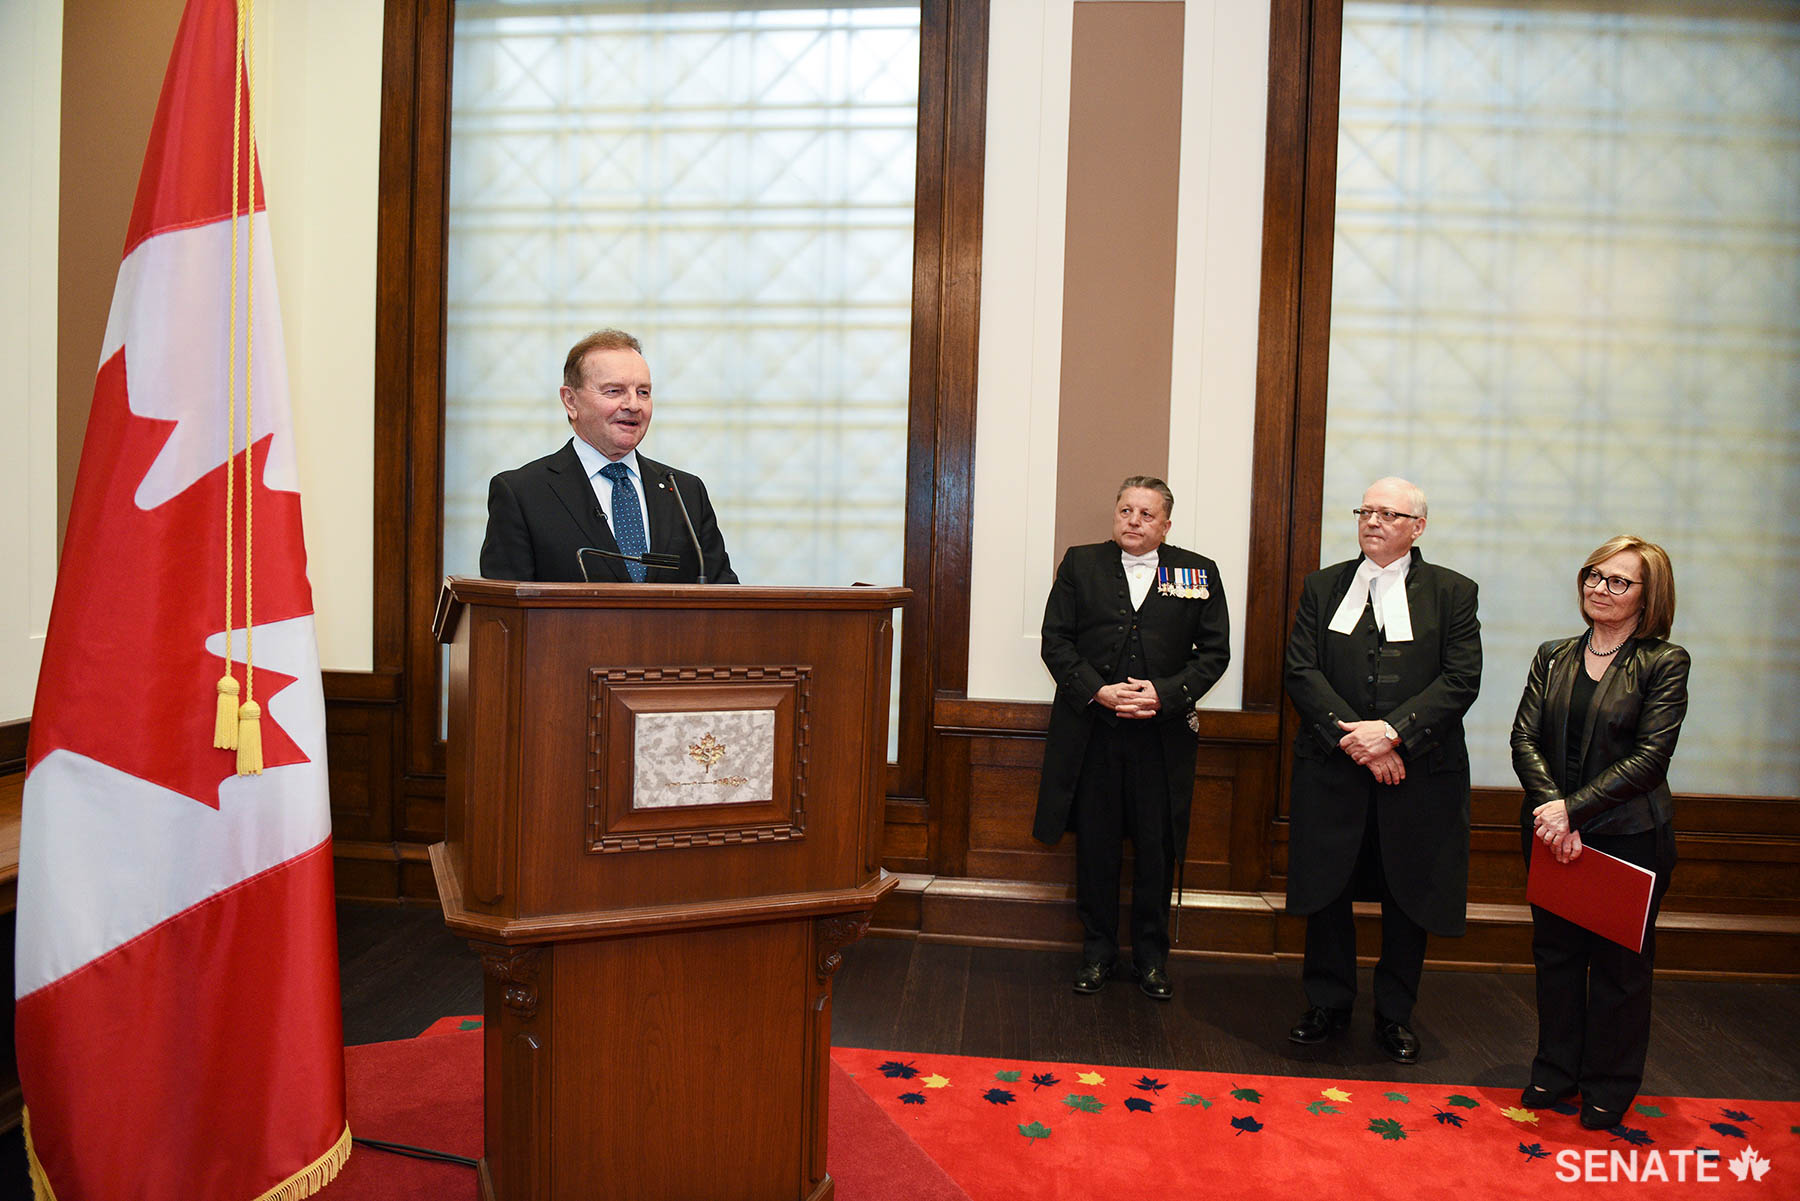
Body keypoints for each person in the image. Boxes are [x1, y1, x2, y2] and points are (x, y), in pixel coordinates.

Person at [1283, 477, 1481, 1063]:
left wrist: (1393, 733)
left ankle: (1395, 1014)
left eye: (1388, 514)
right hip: (1333, 766)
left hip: (1418, 773)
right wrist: (1359, 740)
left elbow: (1460, 679)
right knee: (1328, 888)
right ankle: (1327, 1003)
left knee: (1407, 892)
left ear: (1417, 527)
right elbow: (1301, 671)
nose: (1373, 521)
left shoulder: (1453, 592)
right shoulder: (1323, 587)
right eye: (1365, 511)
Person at [1511, 536, 1687, 1130]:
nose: (1599, 588)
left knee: (1619, 967)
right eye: (1593, 575)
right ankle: (1555, 1071)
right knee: (1555, 957)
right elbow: (1524, 739)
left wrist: (1572, 813)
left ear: (1648, 596)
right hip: (1551, 831)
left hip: (1627, 835)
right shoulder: (1553, 654)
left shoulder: (1664, 662)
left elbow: (1649, 760)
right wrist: (1551, 811)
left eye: (1618, 581)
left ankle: (1609, 1084)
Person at [1032, 477, 1231, 1001]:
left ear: (1166, 524)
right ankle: (1097, 953)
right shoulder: (1080, 563)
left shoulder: (1197, 571)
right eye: (1125, 510)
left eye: (1146, 514)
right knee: (1096, 848)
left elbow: (1214, 653)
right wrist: (1097, 691)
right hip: (1094, 734)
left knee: (1156, 848)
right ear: (1114, 515)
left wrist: (1164, 694)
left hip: (1162, 739)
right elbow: (1056, 642)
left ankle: (1150, 959)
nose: (1134, 521)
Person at [479, 329, 738, 583]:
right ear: (570, 401)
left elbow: (724, 598)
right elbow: (504, 612)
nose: (633, 405)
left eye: (643, 392)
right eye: (614, 391)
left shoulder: (685, 491)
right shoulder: (522, 494)